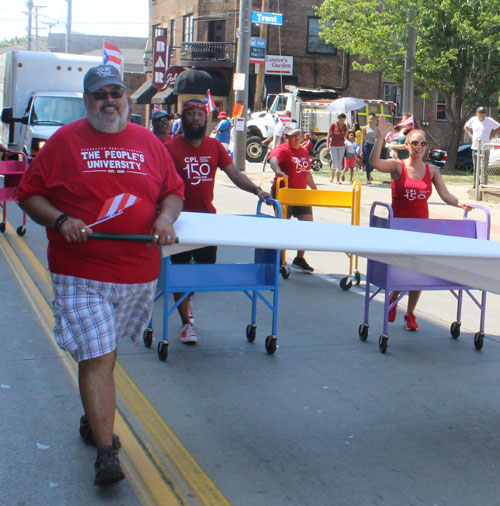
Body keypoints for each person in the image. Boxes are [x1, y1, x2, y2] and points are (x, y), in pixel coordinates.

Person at [16, 65, 185, 486]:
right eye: (99, 95)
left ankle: (94, 421)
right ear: (87, 100)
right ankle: (106, 453)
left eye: (116, 92)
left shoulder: (148, 142)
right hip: (80, 272)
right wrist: (60, 221)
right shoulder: (64, 141)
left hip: (137, 273)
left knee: (104, 354)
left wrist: (165, 219)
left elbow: (173, 190)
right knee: (98, 355)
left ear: (127, 97)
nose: (109, 101)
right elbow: (30, 194)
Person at [165, 99, 270, 345]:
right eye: (190, 114)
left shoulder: (214, 146)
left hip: (207, 221)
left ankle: (186, 301)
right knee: (179, 273)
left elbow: (234, 174)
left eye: (199, 115)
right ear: (183, 118)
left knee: (203, 272)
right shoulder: (171, 147)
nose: (195, 119)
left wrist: (257, 190)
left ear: (207, 119)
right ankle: (186, 324)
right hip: (179, 221)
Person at [370, 114, 471, 332]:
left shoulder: (432, 170)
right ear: (406, 145)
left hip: (422, 229)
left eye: (422, 143)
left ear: (426, 147)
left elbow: (445, 195)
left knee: (419, 274)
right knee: (401, 272)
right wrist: (380, 138)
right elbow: (374, 163)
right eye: (414, 142)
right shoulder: (398, 167)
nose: (418, 146)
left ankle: (409, 313)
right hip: (399, 229)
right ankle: (394, 299)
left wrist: (461, 203)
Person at [268, 122, 318, 273]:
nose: (297, 138)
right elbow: (273, 161)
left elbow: (307, 171)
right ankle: (280, 259)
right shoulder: (282, 149)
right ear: (286, 137)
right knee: (284, 226)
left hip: (300, 194)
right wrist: (279, 171)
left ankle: (299, 258)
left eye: (299, 135)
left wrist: (314, 187)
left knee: (307, 226)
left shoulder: (303, 151)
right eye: (293, 136)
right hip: (284, 193)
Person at [464, 106, 500, 187]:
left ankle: (484, 183)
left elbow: (498, 127)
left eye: (483, 114)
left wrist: (491, 136)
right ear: (477, 113)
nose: (481, 115)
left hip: (485, 147)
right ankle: (475, 183)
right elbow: (466, 127)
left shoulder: (489, 120)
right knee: (476, 166)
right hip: (475, 147)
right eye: (480, 114)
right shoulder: (473, 119)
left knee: (484, 166)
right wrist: (471, 136)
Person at [326, 113, 348, 184]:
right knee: (334, 160)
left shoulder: (344, 126)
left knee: (340, 162)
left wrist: (347, 129)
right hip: (333, 145)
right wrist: (327, 146)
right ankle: (332, 176)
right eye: (341, 119)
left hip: (341, 145)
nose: (342, 121)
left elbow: (344, 136)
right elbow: (328, 136)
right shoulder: (333, 125)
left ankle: (338, 179)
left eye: (343, 120)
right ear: (339, 119)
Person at [360, 113, 377, 184]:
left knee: (373, 162)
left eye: (372, 119)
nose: (370, 121)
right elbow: (362, 140)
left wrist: (377, 140)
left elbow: (379, 137)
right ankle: (368, 178)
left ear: (374, 120)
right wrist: (361, 150)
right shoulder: (365, 128)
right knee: (368, 161)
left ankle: (369, 173)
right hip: (367, 145)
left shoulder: (377, 128)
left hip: (374, 146)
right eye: (369, 119)